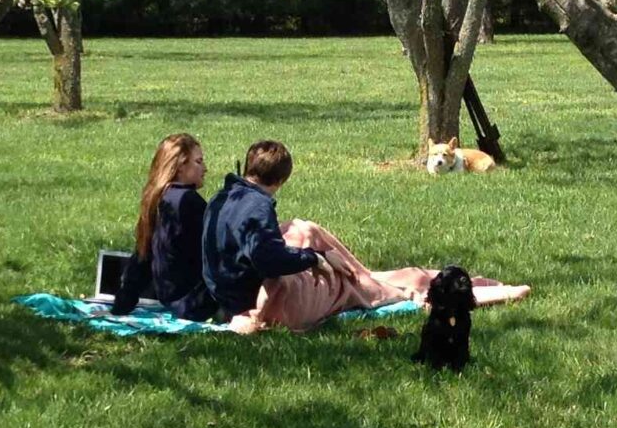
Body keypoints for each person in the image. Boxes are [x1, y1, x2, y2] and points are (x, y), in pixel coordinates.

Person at [204, 138, 529, 334]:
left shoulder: (224, 197)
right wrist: (314, 257)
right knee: (337, 272)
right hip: (261, 300)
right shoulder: (258, 208)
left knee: (305, 230)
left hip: (226, 292)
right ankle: (387, 286)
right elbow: (268, 258)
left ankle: (372, 278)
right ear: (281, 179)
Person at [110, 132, 212, 318]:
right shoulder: (187, 201)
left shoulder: (158, 198)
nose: (205, 169)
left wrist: (122, 303)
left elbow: (142, 256)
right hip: (196, 302)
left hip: (172, 300)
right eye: (199, 162)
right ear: (181, 166)